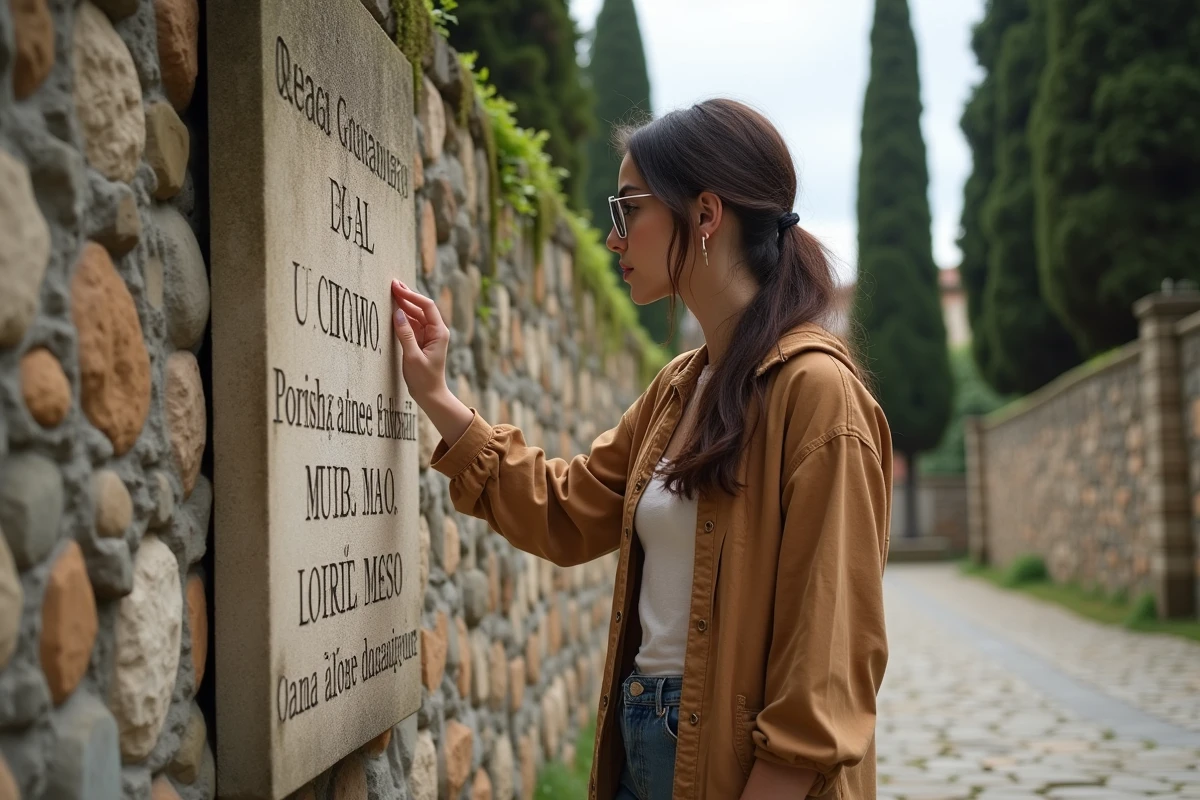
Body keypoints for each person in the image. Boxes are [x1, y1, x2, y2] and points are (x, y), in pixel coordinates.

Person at [390, 98, 892, 800]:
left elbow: (828, 664)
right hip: (642, 750)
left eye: (628, 209)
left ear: (706, 215)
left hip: (744, 773)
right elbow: (567, 508)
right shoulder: (679, 390)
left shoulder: (816, 394)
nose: (612, 237)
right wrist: (438, 398)